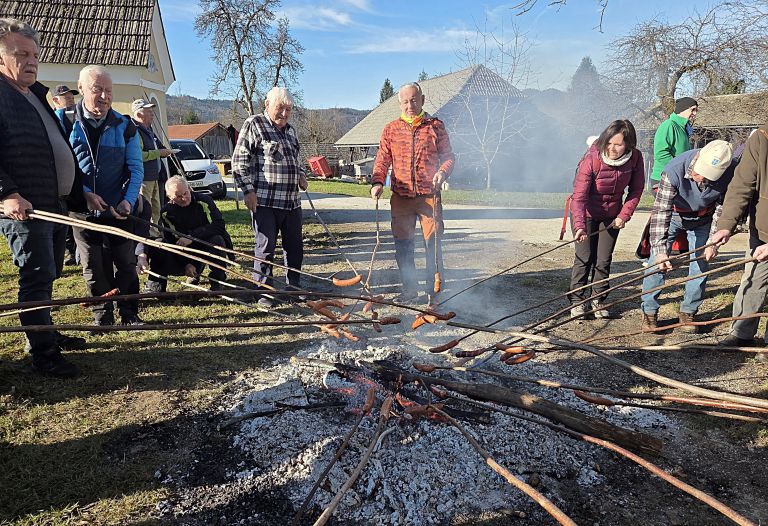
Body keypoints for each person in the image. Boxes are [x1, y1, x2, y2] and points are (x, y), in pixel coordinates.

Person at [0, 18, 85, 377]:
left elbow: (56, 149)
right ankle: (43, 353)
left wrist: (81, 194)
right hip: (25, 207)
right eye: (22, 54)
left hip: (52, 203)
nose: (32, 61)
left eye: (35, 54)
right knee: (35, 275)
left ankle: (44, 331)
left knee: (48, 274)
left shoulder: (34, 94)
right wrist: (7, 192)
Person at [58, 64, 144, 327]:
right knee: (94, 266)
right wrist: (84, 194)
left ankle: (129, 314)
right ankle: (103, 317)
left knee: (126, 263)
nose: (105, 97)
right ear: (81, 88)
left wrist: (128, 199)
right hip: (81, 210)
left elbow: (135, 167)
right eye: (98, 90)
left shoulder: (125, 125)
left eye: (109, 91)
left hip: (117, 209)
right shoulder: (64, 121)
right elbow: (60, 165)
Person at [370, 81, 454, 303]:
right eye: (405, 101)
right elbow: (382, 160)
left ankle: (433, 293)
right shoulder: (391, 129)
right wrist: (377, 182)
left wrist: (442, 173)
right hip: (401, 198)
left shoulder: (435, 126)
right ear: (400, 103)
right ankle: (409, 290)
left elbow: (448, 158)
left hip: (429, 197)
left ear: (423, 100)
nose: (410, 105)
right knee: (403, 247)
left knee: (432, 245)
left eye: (414, 100)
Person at [640, 140, 734, 332]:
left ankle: (688, 312)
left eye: (707, 177)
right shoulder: (673, 170)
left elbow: (722, 208)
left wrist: (712, 242)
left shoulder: (729, 173)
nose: (700, 179)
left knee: (701, 263)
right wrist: (659, 250)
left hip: (704, 218)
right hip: (675, 215)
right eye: (699, 173)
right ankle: (649, 311)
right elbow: (661, 211)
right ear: (698, 158)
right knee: (656, 263)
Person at [232, 87, 308, 308]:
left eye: (288, 109)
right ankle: (263, 291)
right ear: (267, 104)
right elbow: (239, 162)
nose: (284, 113)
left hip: (291, 202)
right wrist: (248, 190)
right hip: (264, 201)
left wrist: (301, 175)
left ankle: (293, 287)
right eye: (280, 108)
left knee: (294, 247)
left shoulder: (291, 131)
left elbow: (297, 161)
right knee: (265, 248)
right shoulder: (254, 124)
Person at [569, 120, 645, 318]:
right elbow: (578, 197)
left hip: (612, 216)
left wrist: (623, 215)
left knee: (603, 260)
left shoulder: (635, 158)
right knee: (584, 258)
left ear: (628, 145)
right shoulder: (592, 158)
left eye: (618, 144)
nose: (612, 148)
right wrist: (579, 227)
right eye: (609, 143)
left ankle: (598, 300)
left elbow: (636, 190)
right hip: (585, 213)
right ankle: (577, 301)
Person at [709, 127, 768, 358]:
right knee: (753, 279)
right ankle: (741, 333)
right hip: (762, 230)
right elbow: (741, 184)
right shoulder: (761, 138)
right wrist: (726, 224)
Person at [139, 176, 231, 292]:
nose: (184, 198)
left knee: (217, 240)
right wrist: (187, 263)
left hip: (206, 242)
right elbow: (172, 241)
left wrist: (192, 237)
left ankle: (218, 281)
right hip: (184, 249)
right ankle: (156, 287)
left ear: (189, 188)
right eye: (178, 196)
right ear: (169, 197)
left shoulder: (204, 201)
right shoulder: (167, 212)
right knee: (159, 245)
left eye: (185, 193)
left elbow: (218, 225)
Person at [131, 98, 172, 230]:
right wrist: (158, 153)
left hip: (155, 176)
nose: (152, 114)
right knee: (145, 209)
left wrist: (166, 151)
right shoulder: (135, 132)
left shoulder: (149, 130)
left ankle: (156, 234)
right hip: (144, 178)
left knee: (156, 209)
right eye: (148, 111)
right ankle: (145, 236)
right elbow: (139, 155)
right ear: (139, 114)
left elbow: (158, 147)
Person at [50, 84, 80, 264]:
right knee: (63, 215)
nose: (70, 100)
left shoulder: (76, 118)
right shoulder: (54, 119)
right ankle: (68, 251)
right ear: (55, 100)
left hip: (76, 173)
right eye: (66, 97)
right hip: (59, 177)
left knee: (75, 211)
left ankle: (75, 249)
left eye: (71, 97)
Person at [650, 97, 697, 187]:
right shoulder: (668, 125)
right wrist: (679, 169)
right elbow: (661, 154)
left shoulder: (684, 128)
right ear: (683, 109)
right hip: (663, 178)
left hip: (677, 177)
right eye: (693, 109)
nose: (695, 113)